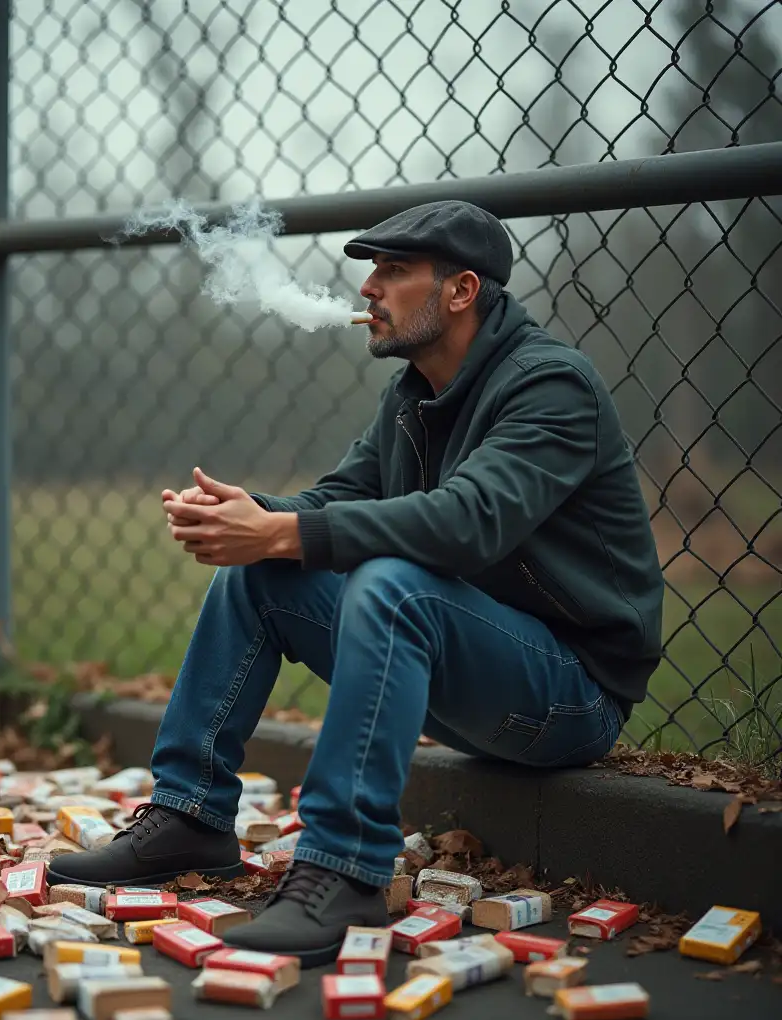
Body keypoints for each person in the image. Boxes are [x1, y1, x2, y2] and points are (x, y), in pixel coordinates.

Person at [47, 199, 665, 966]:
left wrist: (284, 530)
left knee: (389, 580)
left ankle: (343, 871)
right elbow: (332, 506)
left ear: (462, 290)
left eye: (394, 270)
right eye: (371, 269)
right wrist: (251, 518)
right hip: (470, 665)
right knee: (266, 571)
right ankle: (191, 816)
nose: (369, 287)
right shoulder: (410, 397)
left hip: (569, 696)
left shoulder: (551, 387)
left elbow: (468, 521)